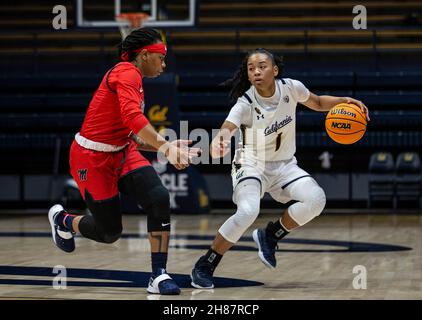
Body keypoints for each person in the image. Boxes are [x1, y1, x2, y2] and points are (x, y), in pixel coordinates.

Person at [190, 48, 370, 289]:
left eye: (262, 66)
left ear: (274, 70)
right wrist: (218, 143)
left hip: (285, 166)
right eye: (251, 68)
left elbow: (316, 102)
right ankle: (206, 264)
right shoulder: (245, 103)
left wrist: (345, 101)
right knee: (248, 211)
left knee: (316, 200)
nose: (256, 71)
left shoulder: (291, 88)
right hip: (250, 165)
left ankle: (271, 235)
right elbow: (226, 128)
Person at [48, 28, 199, 295]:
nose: (164, 65)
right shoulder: (126, 72)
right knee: (108, 233)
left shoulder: (136, 79)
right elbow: (132, 117)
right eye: (161, 58)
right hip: (91, 158)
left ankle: (158, 275)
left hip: (122, 151)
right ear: (143, 55)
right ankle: (62, 219)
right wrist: (163, 145)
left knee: (159, 198)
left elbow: (128, 131)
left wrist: (164, 147)